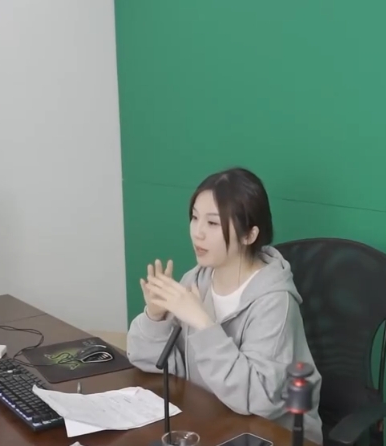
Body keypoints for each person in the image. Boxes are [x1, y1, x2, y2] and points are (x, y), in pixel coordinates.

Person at [125, 167, 324, 445]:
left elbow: (259, 400)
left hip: (270, 434)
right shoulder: (197, 280)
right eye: (195, 218)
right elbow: (152, 363)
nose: (198, 233)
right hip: (210, 421)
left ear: (249, 235)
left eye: (213, 223)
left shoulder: (275, 302)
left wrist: (204, 324)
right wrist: (155, 317)